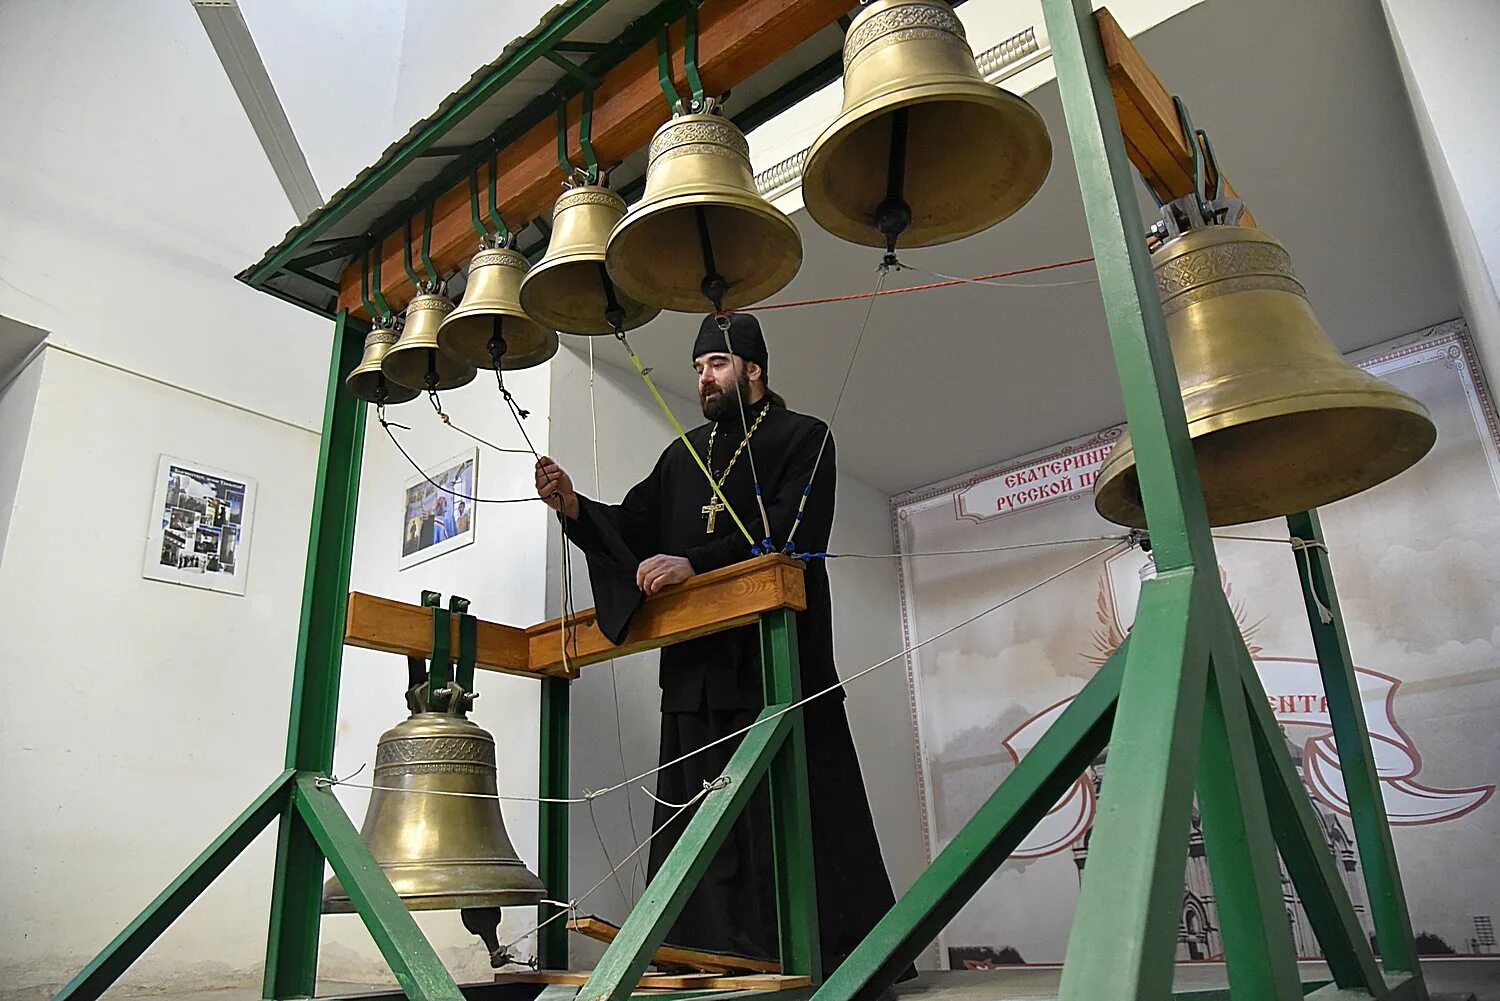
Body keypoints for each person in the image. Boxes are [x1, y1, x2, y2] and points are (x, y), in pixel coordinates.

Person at [534, 312, 900, 975]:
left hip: (774, 665)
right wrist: (576, 510)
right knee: (701, 829)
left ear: (754, 370)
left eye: (718, 365)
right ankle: (710, 964)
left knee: (789, 819)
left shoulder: (804, 436)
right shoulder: (684, 453)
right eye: (700, 366)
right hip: (698, 673)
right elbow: (634, 530)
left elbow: (796, 532)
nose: (704, 376)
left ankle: (823, 965)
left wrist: (696, 563)